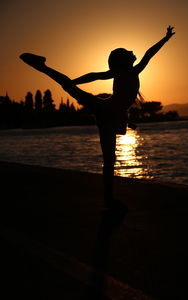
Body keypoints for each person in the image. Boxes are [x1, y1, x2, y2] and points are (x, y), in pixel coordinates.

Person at [19, 26, 175, 208]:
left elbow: (119, 100)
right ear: (124, 60)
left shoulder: (124, 73)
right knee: (109, 161)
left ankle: (108, 200)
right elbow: (148, 54)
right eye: (127, 52)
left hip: (108, 113)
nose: (132, 52)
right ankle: (42, 66)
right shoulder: (129, 72)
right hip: (106, 110)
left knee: (109, 161)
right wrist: (164, 39)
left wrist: (126, 121)